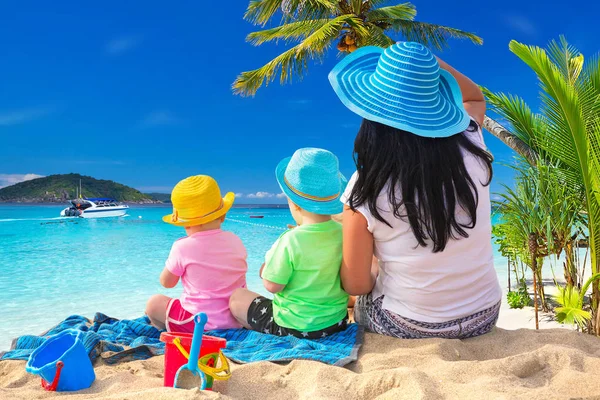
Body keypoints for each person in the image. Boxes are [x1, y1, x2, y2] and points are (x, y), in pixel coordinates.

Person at [329, 41, 502, 339]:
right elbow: (473, 97)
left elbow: (356, 285)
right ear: (435, 104)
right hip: (484, 315)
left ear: (371, 115)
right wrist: (426, 62)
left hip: (410, 325)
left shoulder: (364, 187)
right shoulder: (472, 141)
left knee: (361, 282)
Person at [229, 148, 349, 338]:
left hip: (294, 327)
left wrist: (264, 270)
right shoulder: (344, 233)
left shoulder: (290, 240)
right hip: (336, 323)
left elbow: (273, 286)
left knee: (237, 298)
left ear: (295, 204)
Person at [145, 175, 247, 332]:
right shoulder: (236, 241)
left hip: (198, 324)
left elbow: (167, 283)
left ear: (184, 223)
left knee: (154, 303)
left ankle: (165, 329)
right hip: (235, 320)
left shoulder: (182, 246)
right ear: (223, 216)